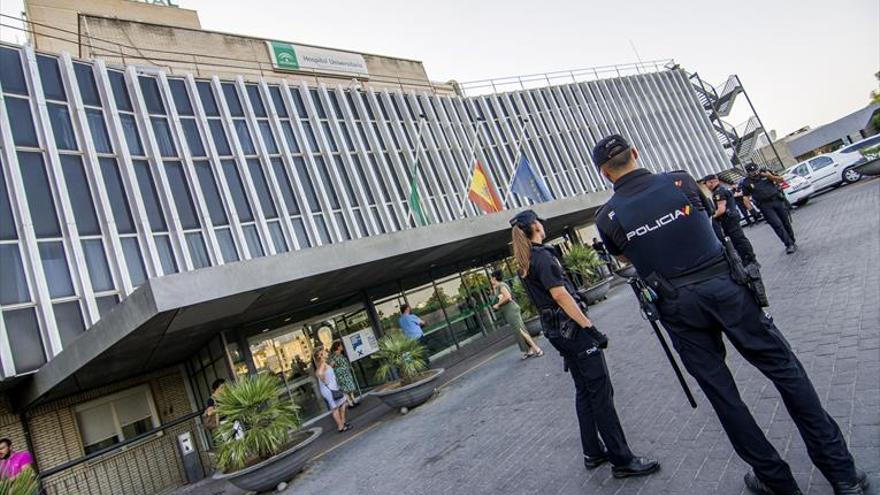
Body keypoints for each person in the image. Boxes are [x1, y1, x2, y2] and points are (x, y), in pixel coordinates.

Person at [592, 134, 868, 495]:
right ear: (635, 153)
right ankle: (842, 474)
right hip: (726, 287)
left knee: (724, 396)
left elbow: (627, 257)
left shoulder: (607, 217)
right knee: (785, 370)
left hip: (678, 306)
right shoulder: (681, 182)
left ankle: (776, 482)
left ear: (603, 173)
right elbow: (705, 220)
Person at [510, 209, 660, 478]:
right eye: (540, 221)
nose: (543, 224)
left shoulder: (526, 259)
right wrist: (590, 328)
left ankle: (592, 451)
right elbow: (560, 295)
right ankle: (622, 460)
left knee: (584, 390)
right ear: (535, 226)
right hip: (573, 331)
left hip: (557, 332)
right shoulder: (542, 256)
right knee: (601, 392)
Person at [701, 174, 758, 265]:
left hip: (729, 220)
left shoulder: (718, 192)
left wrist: (712, 217)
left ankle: (749, 259)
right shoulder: (722, 189)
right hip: (732, 218)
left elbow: (721, 209)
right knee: (739, 239)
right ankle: (749, 258)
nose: (706, 186)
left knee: (738, 240)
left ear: (711, 182)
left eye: (706, 183)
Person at [741, 163, 798, 253]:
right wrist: (752, 210)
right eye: (752, 172)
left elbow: (781, 180)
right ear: (748, 172)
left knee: (785, 222)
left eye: (756, 170)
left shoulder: (766, 173)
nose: (755, 173)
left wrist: (769, 176)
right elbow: (745, 197)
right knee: (777, 224)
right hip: (765, 206)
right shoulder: (746, 182)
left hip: (777, 200)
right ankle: (788, 244)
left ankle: (792, 240)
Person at [489, 270, 544, 360]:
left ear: (494, 278)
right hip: (508, 312)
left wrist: (498, 305)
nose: (490, 280)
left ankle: (537, 349)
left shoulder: (501, 285)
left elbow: (508, 297)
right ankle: (528, 350)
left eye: (491, 278)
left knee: (521, 330)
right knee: (518, 331)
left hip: (511, 311)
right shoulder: (498, 286)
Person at [315, 349, 351, 432]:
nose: (326, 353)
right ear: (321, 356)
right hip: (328, 390)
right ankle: (341, 426)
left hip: (331, 388)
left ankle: (342, 423)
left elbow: (321, 373)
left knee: (342, 403)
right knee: (335, 408)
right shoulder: (323, 364)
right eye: (324, 353)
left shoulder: (322, 364)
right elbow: (319, 373)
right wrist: (324, 380)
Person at [329, 341, 359, 408]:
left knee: (350, 387)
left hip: (346, 373)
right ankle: (350, 403)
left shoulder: (341, 354)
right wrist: (338, 369)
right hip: (341, 375)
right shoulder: (334, 356)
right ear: (338, 347)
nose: (342, 347)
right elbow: (331, 366)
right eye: (341, 346)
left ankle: (354, 400)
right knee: (345, 389)